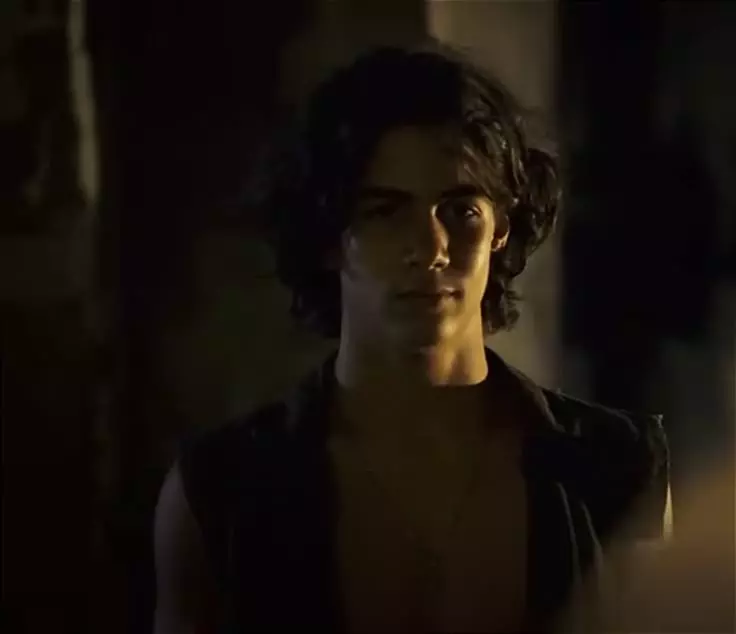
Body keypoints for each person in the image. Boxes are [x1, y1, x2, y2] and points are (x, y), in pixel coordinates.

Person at [153, 43, 671, 634]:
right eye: (384, 211)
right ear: (328, 235)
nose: (429, 249)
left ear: (501, 227)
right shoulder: (221, 493)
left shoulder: (616, 470)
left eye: (460, 210)